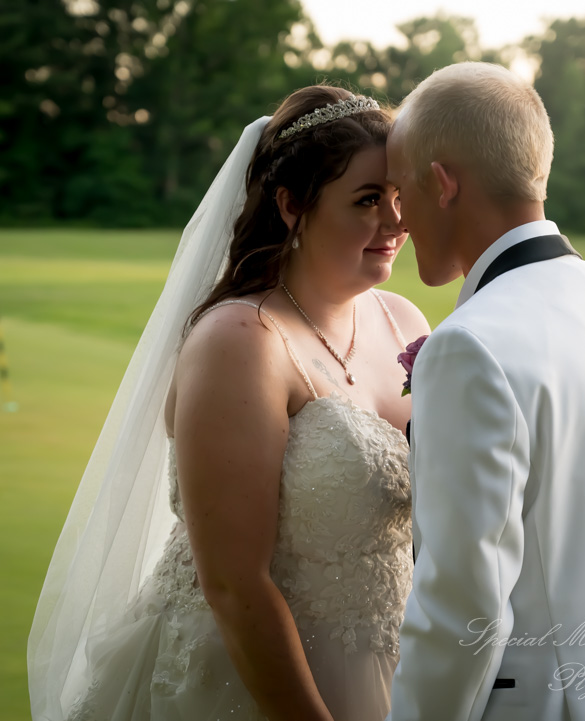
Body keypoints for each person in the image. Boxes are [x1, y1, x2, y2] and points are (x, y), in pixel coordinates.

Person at [28, 85, 429, 721]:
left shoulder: (405, 323)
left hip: (392, 666)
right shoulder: (241, 340)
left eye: (400, 196)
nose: (397, 220)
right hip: (249, 678)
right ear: (293, 205)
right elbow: (233, 585)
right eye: (367, 199)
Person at [384, 62, 585, 721]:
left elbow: (461, 604)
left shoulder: (469, 345)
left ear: (442, 183)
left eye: (401, 192)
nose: (398, 218)